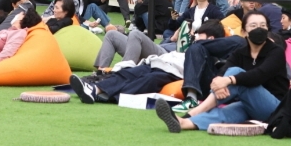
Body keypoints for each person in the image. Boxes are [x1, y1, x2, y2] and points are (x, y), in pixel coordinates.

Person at [155, 10, 289, 132]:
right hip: (250, 105)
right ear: (243, 32)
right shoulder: (240, 53)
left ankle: (193, 112)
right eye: (253, 26)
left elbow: (259, 75)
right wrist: (218, 83)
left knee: (236, 73)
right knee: (224, 113)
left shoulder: (276, 51)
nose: (259, 29)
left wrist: (228, 80)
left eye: (263, 26)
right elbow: (224, 71)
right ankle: (184, 123)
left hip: (275, 108)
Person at [71, 20, 226, 104]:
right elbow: (169, 32)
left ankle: (106, 94)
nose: (195, 37)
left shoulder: (207, 55)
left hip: (171, 70)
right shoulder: (192, 44)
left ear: (211, 39)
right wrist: (171, 39)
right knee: (130, 73)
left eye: (199, 35)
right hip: (158, 60)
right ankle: (95, 89)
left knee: (148, 80)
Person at [173, 0, 242, 111]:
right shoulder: (190, 11)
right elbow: (175, 25)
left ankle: (192, 98)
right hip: (186, 57)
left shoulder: (214, 12)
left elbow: (219, 28)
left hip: (223, 79)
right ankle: (191, 97)